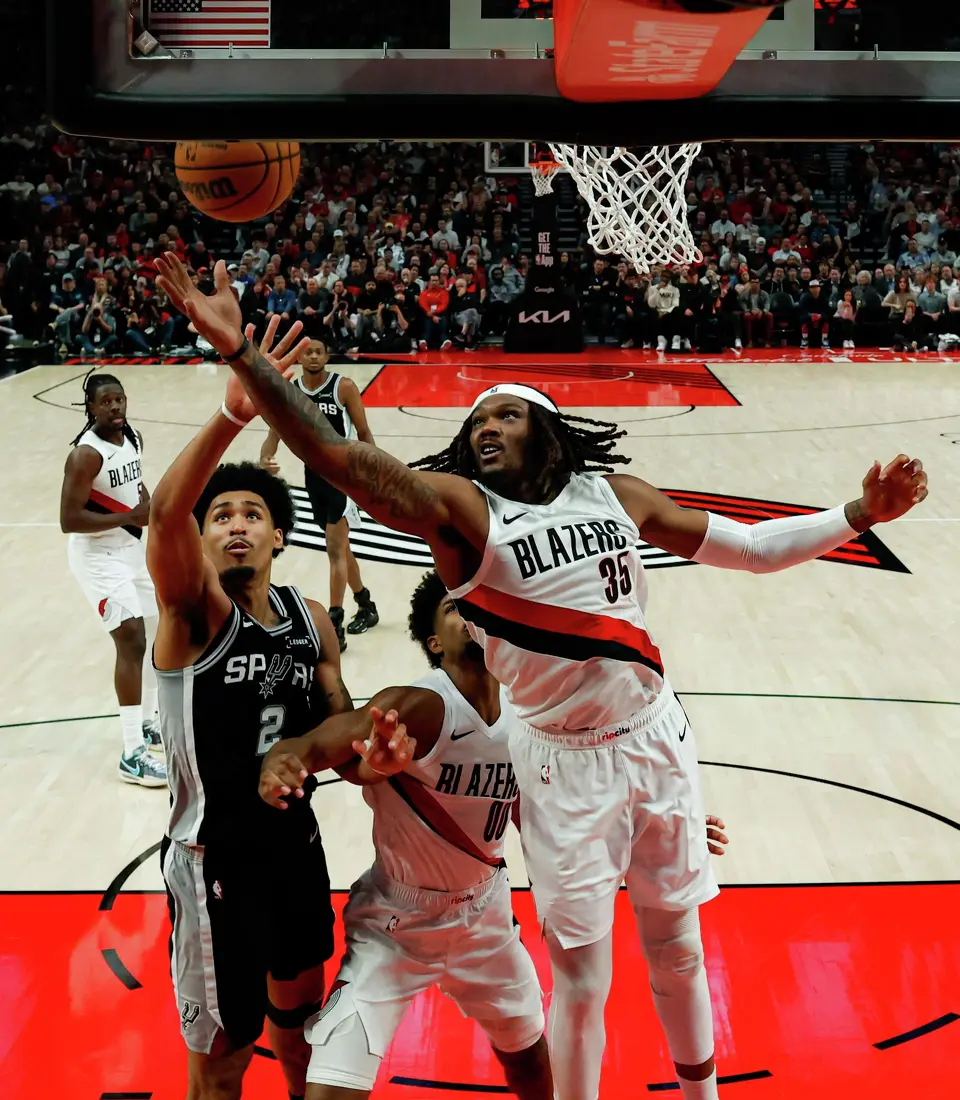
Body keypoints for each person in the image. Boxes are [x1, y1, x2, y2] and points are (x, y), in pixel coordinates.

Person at [156, 252, 928, 1100]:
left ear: (547, 428)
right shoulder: (463, 511)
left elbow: (747, 548)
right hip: (563, 763)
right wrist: (244, 357)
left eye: (505, 415)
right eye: (476, 420)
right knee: (585, 980)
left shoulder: (615, 494)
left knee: (680, 949)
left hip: (655, 738)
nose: (484, 426)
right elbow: (345, 463)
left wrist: (857, 515)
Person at [148, 317, 405, 1100]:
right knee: (225, 1056)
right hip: (213, 862)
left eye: (250, 515)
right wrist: (232, 412)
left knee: (300, 1032)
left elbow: (343, 725)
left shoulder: (311, 621)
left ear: (278, 536)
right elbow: (164, 517)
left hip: (296, 851)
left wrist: (376, 755)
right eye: (219, 516)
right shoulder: (192, 615)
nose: (233, 525)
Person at [260, 570, 553, 1100]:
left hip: (485, 917)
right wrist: (283, 764)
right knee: (329, 1090)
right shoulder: (420, 707)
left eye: (479, 604)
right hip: (396, 925)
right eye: (454, 608)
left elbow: (544, 814)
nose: (472, 613)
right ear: (434, 643)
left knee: (534, 1066)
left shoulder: (528, 709)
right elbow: (313, 744)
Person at [59, 371, 166, 786]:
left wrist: (150, 508)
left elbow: (134, 486)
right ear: (90, 407)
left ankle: (150, 723)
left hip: (130, 547)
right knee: (132, 639)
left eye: (119, 399)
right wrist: (130, 517)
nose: (115, 407)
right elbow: (69, 519)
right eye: (105, 402)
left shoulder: (132, 438)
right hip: (97, 555)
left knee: (158, 629)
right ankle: (132, 753)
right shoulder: (85, 455)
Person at [260, 336, 379, 651]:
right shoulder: (293, 390)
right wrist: (266, 456)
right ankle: (366, 605)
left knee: (334, 550)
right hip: (313, 476)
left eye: (318, 351)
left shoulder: (344, 387)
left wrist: (373, 471)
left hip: (343, 475)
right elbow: (276, 430)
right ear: (300, 359)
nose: (313, 356)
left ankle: (334, 623)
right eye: (308, 352)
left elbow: (364, 432)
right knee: (340, 547)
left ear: (327, 356)